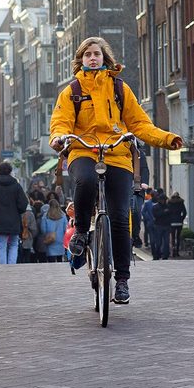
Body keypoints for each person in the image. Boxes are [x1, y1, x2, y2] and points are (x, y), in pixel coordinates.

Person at [49, 36, 182, 303]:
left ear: (105, 58)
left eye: (97, 53)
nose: (92, 58)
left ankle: (121, 281)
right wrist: (59, 137)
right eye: (87, 55)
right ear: (81, 60)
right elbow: (61, 121)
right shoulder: (72, 91)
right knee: (85, 180)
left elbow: (140, 125)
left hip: (117, 153)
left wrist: (167, 139)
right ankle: (82, 233)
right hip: (84, 150)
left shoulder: (120, 89)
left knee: (121, 217)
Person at [0, 162, 29, 264]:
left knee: (1, 245)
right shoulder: (16, 186)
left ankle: (3, 266)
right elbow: (23, 203)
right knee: (13, 244)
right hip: (14, 219)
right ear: (10, 171)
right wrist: (18, 210)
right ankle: (11, 265)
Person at [150, 191, 171, 260]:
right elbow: (156, 215)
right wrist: (164, 212)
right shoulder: (155, 207)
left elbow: (171, 214)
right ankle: (157, 255)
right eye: (162, 200)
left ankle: (165, 255)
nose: (164, 201)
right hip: (158, 226)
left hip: (167, 226)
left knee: (166, 242)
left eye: (164, 200)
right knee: (158, 242)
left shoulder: (168, 206)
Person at [167, 192, 188, 257]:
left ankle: (173, 249)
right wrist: (182, 219)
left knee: (172, 237)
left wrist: (169, 219)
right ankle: (177, 251)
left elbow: (168, 212)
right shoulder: (181, 202)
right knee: (178, 237)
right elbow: (184, 212)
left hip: (172, 221)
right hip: (179, 221)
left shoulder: (169, 202)